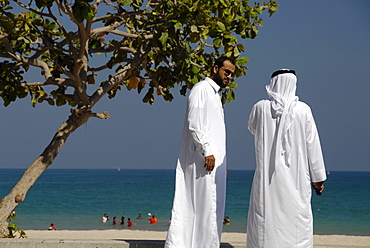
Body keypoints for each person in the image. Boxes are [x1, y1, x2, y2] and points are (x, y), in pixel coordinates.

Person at [246, 69, 327, 248]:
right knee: (296, 223)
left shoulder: (260, 107)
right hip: (296, 180)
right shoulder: (303, 110)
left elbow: (252, 127)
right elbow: (313, 145)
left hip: (267, 180)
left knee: (265, 222)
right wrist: (318, 178)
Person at [165, 57, 236, 248]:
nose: (229, 76)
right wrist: (207, 152)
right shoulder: (201, 89)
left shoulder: (216, 95)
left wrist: (221, 164)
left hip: (213, 164)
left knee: (212, 210)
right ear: (215, 68)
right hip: (202, 161)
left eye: (231, 74)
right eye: (226, 71)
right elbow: (194, 123)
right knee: (201, 208)